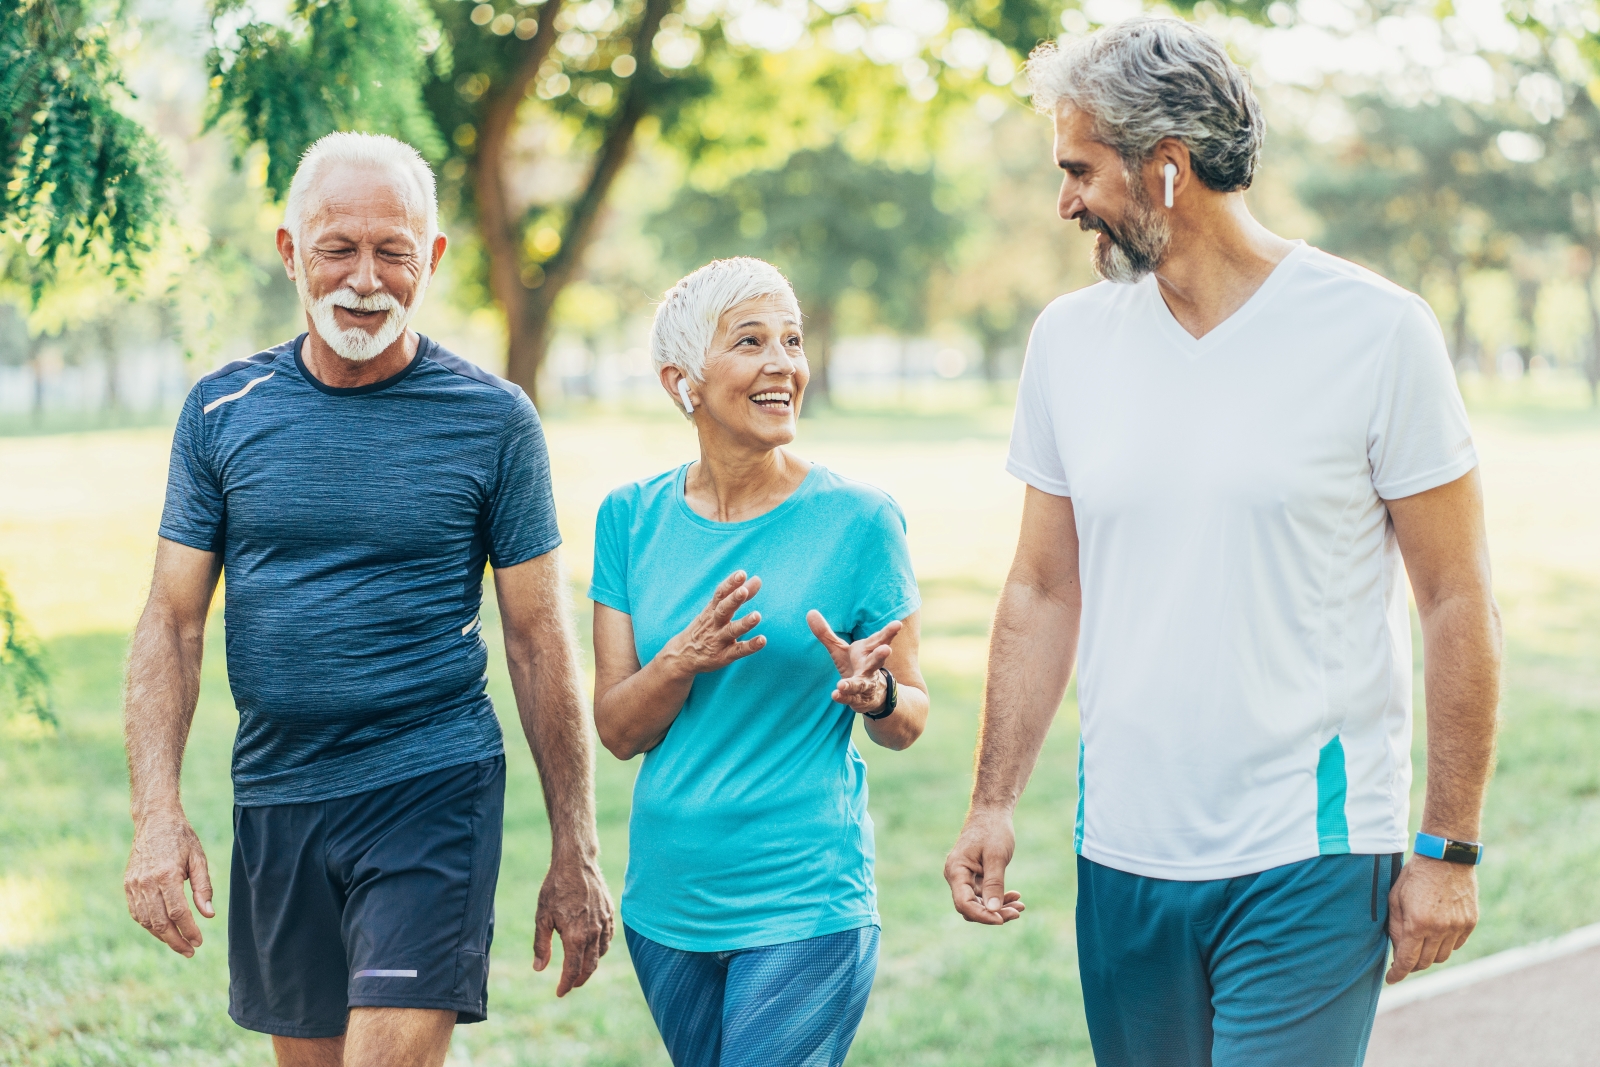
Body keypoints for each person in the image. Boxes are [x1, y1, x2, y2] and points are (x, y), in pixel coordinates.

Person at [943, 18, 1501, 1067]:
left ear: (1165, 168)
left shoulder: (1376, 331)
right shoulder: (1068, 342)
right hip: (1122, 851)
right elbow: (1040, 586)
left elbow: (1455, 597)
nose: (1062, 202)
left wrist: (1447, 845)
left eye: (1078, 169)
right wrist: (990, 798)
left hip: (1310, 851)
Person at [121, 132, 613, 1067]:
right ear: (289, 252)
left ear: (430, 258)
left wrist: (575, 846)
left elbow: (540, 638)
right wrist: (157, 815)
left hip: (431, 784)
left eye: (393, 251)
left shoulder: (494, 418)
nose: (365, 278)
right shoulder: (221, 412)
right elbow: (172, 623)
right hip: (278, 791)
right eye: (337, 248)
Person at [588, 257, 928, 1067]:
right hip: (668, 905)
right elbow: (617, 729)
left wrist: (875, 693)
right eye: (750, 341)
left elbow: (910, 717)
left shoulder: (861, 521)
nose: (784, 364)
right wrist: (680, 660)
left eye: (793, 340)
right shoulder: (628, 519)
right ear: (685, 381)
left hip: (806, 899)